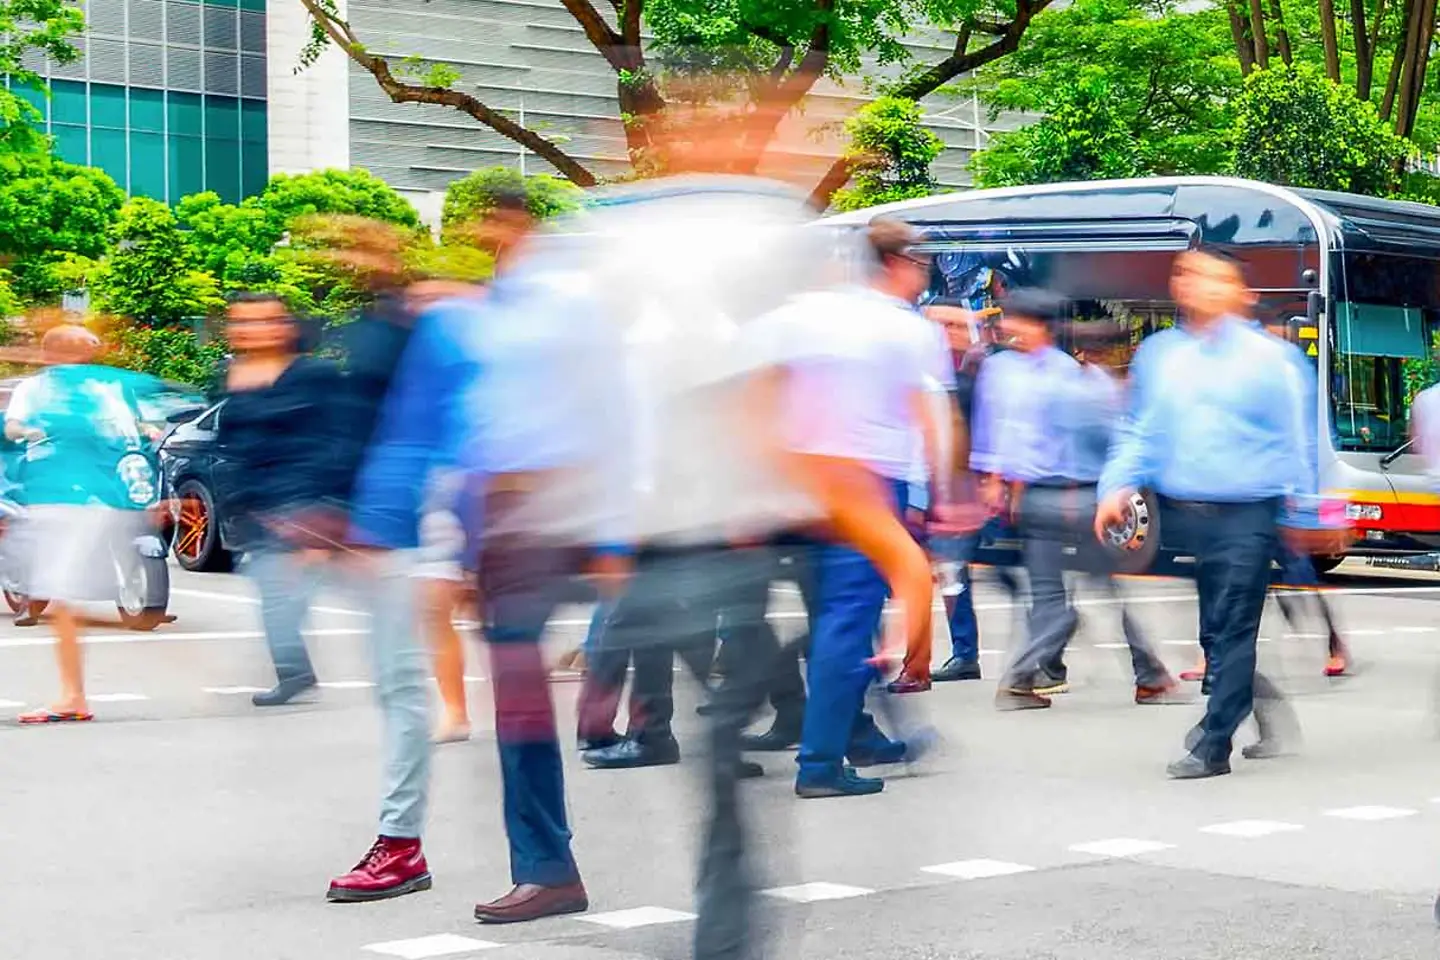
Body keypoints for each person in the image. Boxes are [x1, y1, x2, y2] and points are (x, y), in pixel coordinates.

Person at [1096, 248, 1310, 780]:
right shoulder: (1160, 354)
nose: (1199, 286)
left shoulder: (1272, 360)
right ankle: (1246, 714)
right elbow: (1140, 430)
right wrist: (1116, 485)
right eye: (1189, 275)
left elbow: (1298, 442)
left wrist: (1309, 515)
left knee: (1235, 626)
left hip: (1248, 515)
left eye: (1215, 278)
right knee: (1214, 631)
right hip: (1184, 512)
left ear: (1241, 292)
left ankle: (1214, 742)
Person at [762, 217, 946, 798]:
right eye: (921, 265)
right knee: (847, 623)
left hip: (800, 483)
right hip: (863, 484)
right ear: (898, 265)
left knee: (833, 622)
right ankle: (819, 764)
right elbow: (932, 420)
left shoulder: (797, 319)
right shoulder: (903, 329)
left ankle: (854, 732)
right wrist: (939, 494)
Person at [970, 291, 1177, 710]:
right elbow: (1111, 441)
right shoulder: (1073, 380)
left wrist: (996, 483)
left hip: (1036, 500)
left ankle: (1029, 679)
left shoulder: (1002, 370)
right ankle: (1145, 675)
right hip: (1077, 499)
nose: (1011, 328)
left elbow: (995, 437)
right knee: (1097, 590)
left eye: (1018, 320)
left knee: (1055, 595)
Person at [7, 324, 167, 724]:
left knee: (62, 593)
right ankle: (72, 690)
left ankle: (72, 696)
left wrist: (147, 429)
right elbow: (13, 426)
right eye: (85, 349)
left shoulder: (90, 386)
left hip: (76, 496)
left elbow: (133, 422)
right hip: (70, 494)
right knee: (63, 593)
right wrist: (29, 431)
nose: (90, 356)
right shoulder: (51, 387)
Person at [405, 278, 488, 744]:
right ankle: (455, 711)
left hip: (485, 499)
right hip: (436, 503)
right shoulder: (419, 369)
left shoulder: (486, 366)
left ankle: (513, 702)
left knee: (496, 615)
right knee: (436, 609)